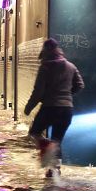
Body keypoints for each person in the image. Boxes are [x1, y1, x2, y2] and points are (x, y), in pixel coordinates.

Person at [24, 38, 85, 177]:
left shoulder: (45, 67)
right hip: (66, 109)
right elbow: (80, 85)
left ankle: (47, 146)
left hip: (50, 108)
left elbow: (38, 91)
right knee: (57, 140)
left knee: (34, 132)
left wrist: (29, 107)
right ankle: (54, 169)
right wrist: (68, 94)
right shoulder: (71, 66)